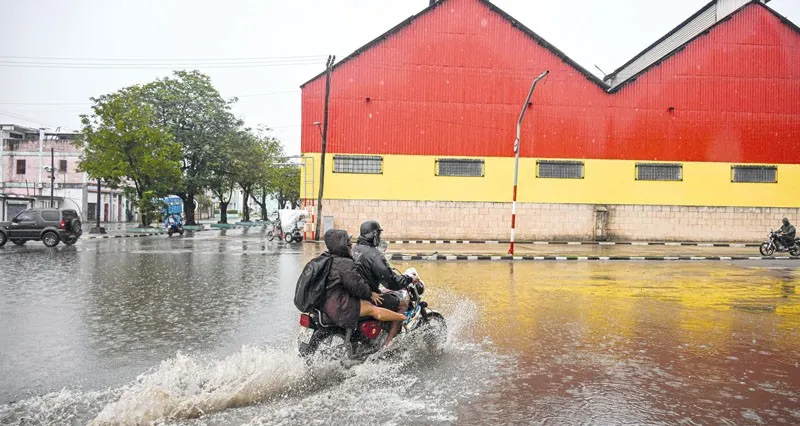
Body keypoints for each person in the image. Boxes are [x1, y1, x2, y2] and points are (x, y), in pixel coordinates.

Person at [322, 229, 406, 330]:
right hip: (339, 304)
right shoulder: (344, 263)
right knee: (374, 309)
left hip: (328, 301)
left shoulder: (326, 259)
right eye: (348, 244)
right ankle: (391, 340)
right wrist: (370, 294)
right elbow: (356, 284)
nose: (351, 246)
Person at [352, 220, 417, 346]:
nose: (380, 237)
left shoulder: (355, 249)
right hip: (369, 296)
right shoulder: (375, 255)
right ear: (374, 235)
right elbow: (391, 282)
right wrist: (408, 278)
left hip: (355, 294)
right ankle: (389, 344)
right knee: (402, 304)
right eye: (379, 234)